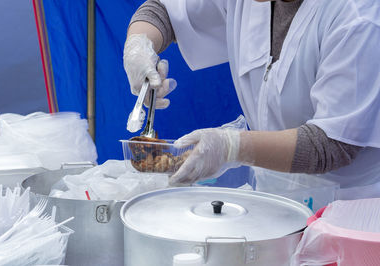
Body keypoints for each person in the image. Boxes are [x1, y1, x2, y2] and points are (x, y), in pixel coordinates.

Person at [123, 0, 380, 200]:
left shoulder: (357, 17)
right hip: (276, 200)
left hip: (345, 211)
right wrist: (139, 46)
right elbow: (162, 11)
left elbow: (332, 144)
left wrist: (232, 147)